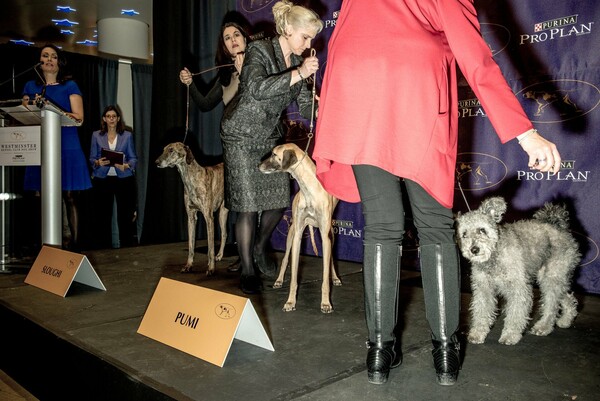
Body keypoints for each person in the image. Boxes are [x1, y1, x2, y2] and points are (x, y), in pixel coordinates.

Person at [312, 0, 562, 386]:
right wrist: (525, 134)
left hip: (357, 88)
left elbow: (345, 31)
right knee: (434, 228)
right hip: (415, 88)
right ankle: (446, 352)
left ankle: (378, 351)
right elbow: (474, 58)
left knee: (381, 228)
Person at [220, 0, 322, 294]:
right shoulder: (258, 50)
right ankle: (249, 271)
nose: (308, 43)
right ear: (288, 30)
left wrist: (322, 107)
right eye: (305, 36)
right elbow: (257, 88)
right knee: (248, 207)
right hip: (239, 134)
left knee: (277, 203)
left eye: (312, 38)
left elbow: (304, 105)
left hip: (268, 137)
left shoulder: (296, 63)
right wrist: (301, 73)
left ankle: (259, 246)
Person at [179, 15, 252, 272]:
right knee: (242, 205)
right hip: (234, 145)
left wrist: (247, 71)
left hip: (261, 141)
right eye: (227, 38)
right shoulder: (225, 73)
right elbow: (205, 104)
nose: (233, 40)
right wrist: (191, 84)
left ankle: (258, 253)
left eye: (236, 35)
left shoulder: (262, 60)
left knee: (271, 207)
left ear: (245, 36)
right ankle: (247, 260)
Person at [22, 44, 92, 250]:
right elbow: (24, 116)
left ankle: (75, 247)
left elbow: (79, 118)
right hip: (41, 145)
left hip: (67, 145)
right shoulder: (30, 86)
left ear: (59, 62)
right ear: (39, 62)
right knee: (42, 196)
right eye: (45, 56)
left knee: (69, 196)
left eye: (54, 56)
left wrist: (53, 110)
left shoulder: (69, 86)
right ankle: (45, 246)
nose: (50, 59)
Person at [89, 106, 138, 248]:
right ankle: (103, 248)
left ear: (118, 119)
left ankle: (127, 248)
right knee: (102, 216)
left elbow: (133, 158)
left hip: (123, 178)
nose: (111, 119)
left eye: (114, 116)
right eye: (108, 116)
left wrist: (126, 166)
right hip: (102, 179)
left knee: (125, 216)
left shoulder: (127, 135)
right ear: (104, 119)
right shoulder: (96, 135)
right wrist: (98, 162)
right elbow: (92, 158)